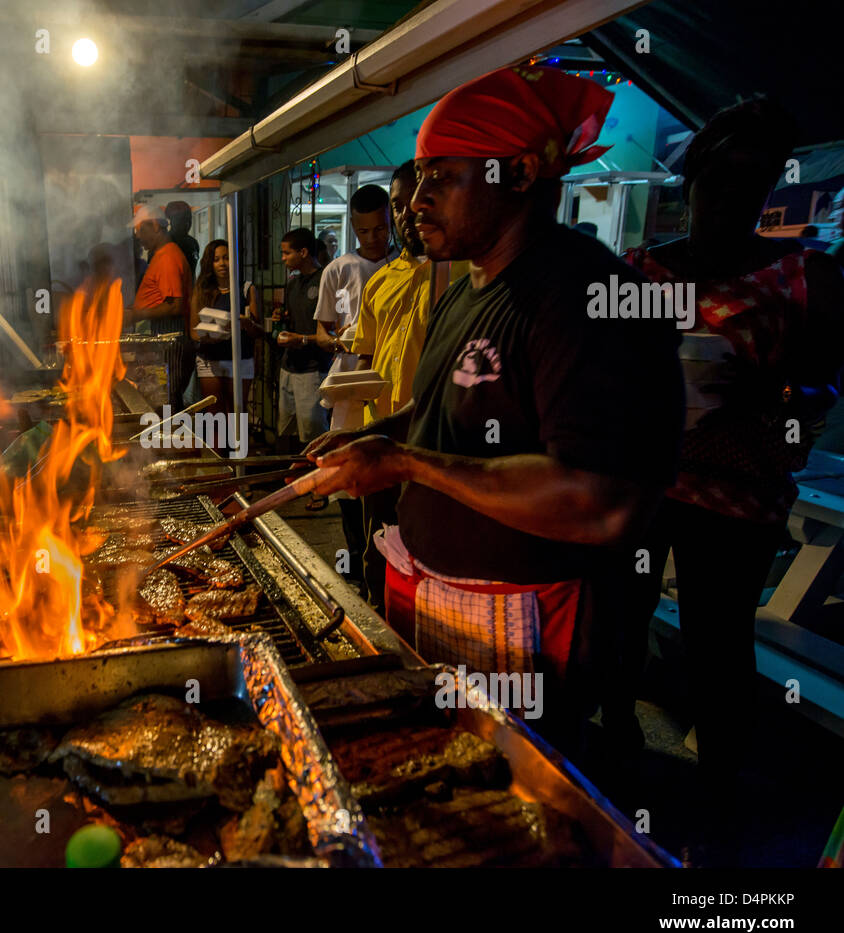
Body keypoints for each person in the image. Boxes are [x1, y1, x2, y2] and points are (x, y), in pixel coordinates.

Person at [305, 66, 684, 752]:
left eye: (442, 177)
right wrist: (378, 439)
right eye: (418, 178)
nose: (416, 200)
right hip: (447, 611)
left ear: (518, 173)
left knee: (522, 797)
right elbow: (449, 409)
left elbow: (595, 500)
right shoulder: (468, 287)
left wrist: (406, 461)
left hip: (528, 629)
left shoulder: (584, 297)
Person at [621, 98, 844, 864]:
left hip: (740, 493)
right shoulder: (644, 269)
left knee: (721, 643)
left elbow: (823, 389)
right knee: (620, 619)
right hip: (648, 480)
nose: (731, 202)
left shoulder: (803, 273)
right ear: (692, 186)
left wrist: (771, 390)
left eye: (751, 187)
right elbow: (603, 366)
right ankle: (619, 763)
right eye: (719, 183)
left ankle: (719, 801)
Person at [341, 166, 468, 612]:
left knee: (429, 546)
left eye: (414, 199)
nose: (407, 212)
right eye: (397, 204)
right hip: (381, 433)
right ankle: (378, 618)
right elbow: (365, 355)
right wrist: (348, 409)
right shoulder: (380, 280)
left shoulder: (465, 275)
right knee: (378, 539)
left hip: (438, 443)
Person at [310, 185, 397, 581]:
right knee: (347, 471)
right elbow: (322, 331)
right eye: (365, 232)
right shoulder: (338, 270)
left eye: (380, 229)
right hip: (348, 385)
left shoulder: (407, 266)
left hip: (394, 384)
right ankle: (356, 560)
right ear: (353, 229)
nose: (374, 239)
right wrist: (339, 340)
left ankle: (385, 564)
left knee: (386, 470)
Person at [273, 228, 330, 470]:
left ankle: (319, 488)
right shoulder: (293, 284)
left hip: (313, 368)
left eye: (287, 253)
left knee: (315, 436)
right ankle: (296, 480)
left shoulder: (326, 281)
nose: (283, 258)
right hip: (290, 366)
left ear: (303, 252)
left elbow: (333, 333)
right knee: (290, 431)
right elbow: (293, 319)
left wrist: (303, 340)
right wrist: (281, 319)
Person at [128, 204, 193, 408]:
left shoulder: (168, 257)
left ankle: (172, 437)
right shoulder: (162, 255)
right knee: (164, 396)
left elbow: (174, 306)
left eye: (141, 230)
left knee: (168, 397)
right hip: (163, 336)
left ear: (155, 226)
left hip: (171, 337)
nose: (138, 237)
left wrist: (135, 315)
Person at [190, 238, 264, 420]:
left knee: (237, 413)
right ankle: (219, 449)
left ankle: (238, 449)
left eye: (226, 258)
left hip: (240, 359)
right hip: (210, 359)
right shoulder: (202, 290)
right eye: (216, 259)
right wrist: (207, 337)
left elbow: (259, 331)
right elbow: (192, 330)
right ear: (210, 263)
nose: (222, 263)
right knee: (215, 415)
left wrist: (245, 323)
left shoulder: (246, 289)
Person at [166, 200, 200, 274]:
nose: (187, 223)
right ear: (171, 221)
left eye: (189, 219)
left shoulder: (193, 243)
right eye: (181, 219)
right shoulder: (163, 244)